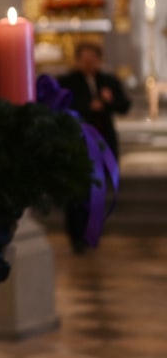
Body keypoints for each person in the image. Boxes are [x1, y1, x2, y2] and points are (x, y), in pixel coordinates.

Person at [57, 40, 131, 253]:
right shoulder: (67, 82)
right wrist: (88, 107)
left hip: (103, 142)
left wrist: (109, 100)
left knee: (98, 192)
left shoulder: (107, 80)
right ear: (78, 60)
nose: (90, 64)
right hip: (78, 144)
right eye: (85, 60)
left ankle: (92, 233)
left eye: (94, 59)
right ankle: (77, 236)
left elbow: (124, 106)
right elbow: (60, 106)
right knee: (77, 193)